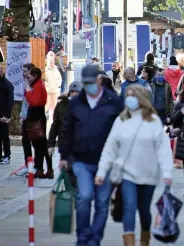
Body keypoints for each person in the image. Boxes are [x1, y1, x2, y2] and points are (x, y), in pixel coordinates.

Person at [95, 84, 172, 246]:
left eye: (133, 96)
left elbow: (163, 148)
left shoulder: (153, 121)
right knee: (129, 207)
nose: (129, 99)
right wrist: (102, 171)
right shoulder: (121, 120)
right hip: (126, 173)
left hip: (148, 174)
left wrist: (167, 172)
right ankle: (129, 243)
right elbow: (110, 147)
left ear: (142, 99)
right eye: (127, 96)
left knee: (144, 211)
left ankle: (145, 239)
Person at [59, 64, 124, 246]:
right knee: (84, 197)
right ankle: (83, 237)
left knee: (102, 202)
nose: (88, 86)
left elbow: (122, 129)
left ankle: (94, 238)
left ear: (99, 80)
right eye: (85, 83)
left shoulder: (113, 101)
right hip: (81, 160)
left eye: (91, 82)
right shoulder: (75, 103)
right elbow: (66, 130)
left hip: (107, 162)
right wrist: (64, 156)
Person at [25, 68, 53, 178]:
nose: (28, 78)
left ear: (35, 75)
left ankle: (43, 169)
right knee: (39, 144)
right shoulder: (37, 84)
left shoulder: (38, 85)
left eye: (30, 76)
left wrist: (28, 92)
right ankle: (43, 169)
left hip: (37, 117)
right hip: (37, 116)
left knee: (40, 144)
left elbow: (35, 102)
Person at [48, 81, 83, 156]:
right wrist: (51, 144)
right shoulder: (61, 105)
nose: (74, 94)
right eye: (72, 91)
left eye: (77, 92)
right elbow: (55, 126)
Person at [16, 63, 36, 176]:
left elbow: (33, 102)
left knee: (35, 144)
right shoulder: (26, 84)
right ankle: (28, 166)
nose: (22, 73)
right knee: (26, 143)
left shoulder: (35, 85)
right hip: (26, 117)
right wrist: (21, 115)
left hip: (33, 118)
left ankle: (36, 168)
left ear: (30, 72)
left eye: (24, 71)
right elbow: (25, 102)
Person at [0, 67, 13, 165]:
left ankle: (7, 155)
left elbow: (10, 102)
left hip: (3, 115)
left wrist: (7, 116)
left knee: (4, 136)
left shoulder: (8, 85)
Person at [44, 51, 62, 119]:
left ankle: (54, 118)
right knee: (46, 104)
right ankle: (45, 116)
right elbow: (43, 79)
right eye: (50, 61)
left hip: (54, 90)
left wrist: (58, 85)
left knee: (54, 105)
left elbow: (59, 79)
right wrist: (46, 85)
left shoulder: (56, 69)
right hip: (47, 91)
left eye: (52, 61)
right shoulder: (45, 70)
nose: (51, 62)